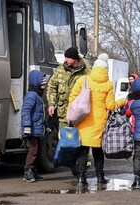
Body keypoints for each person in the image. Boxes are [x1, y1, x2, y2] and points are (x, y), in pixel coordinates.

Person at [68, 53, 126, 186]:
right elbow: (110, 106)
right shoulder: (108, 84)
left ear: (94, 67)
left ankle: (81, 179)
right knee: (98, 151)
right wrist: (122, 101)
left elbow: (72, 98)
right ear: (105, 70)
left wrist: (72, 114)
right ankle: (100, 178)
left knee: (82, 150)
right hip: (99, 122)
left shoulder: (83, 80)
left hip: (83, 119)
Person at [46, 47, 90, 176]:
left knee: (81, 140)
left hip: (81, 114)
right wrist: (52, 104)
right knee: (65, 139)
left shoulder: (86, 71)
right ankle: (66, 162)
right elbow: (52, 86)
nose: (65, 60)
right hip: (63, 113)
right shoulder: (60, 70)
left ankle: (81, 168)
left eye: (68, 58)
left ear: (74, 59)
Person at [21, 70, 47, 183]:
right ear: (36, 82)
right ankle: (28, 171)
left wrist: (46, 126)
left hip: (36, 128)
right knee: (33, 150)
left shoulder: (37, 95)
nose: (44, 85)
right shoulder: (32, 96)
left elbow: (40, 115)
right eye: (42, 83)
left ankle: (33, 170)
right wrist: (27, 127)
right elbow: (26, 111)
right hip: (32, 128)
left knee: (37, 149)